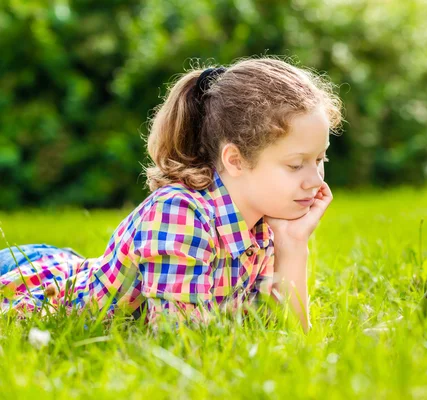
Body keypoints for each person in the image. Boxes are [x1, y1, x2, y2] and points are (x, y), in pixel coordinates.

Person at [0, 58, 343, 332]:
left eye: (320, 159)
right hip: (33, 282)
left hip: (68, 264)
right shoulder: (180, 212)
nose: (315, 180)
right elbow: (180, 340)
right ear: (235, 160)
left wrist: (293, 244)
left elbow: (285, 334)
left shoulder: (264, 223)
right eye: (296, 164)